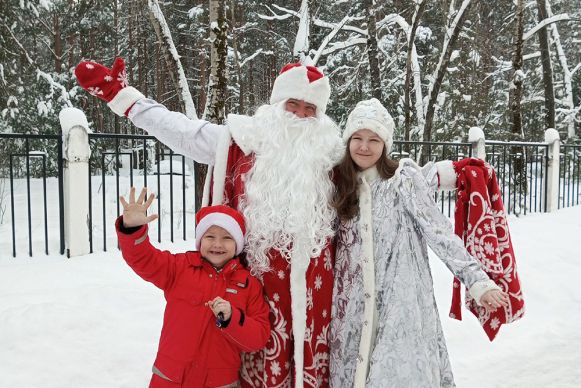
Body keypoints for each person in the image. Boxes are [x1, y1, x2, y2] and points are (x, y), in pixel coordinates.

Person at [75, 58, 344, 387]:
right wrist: (123, 96)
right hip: (244, 290)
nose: (300, 114)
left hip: (315, 300)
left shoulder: (333, 156)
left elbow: (377, 178)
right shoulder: (239, 141)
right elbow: (182, 131)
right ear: (276, 106)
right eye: (293, 104)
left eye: (309, 108)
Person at [329, 99, 510, 388]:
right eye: (357, 139)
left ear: (385, 144)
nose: (364, 147)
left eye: (373, 139)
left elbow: (439, 232)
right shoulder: (340, 186)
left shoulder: (402, 181)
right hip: (352, 312)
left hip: (400, 306)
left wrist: (478, 282)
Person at [116, 187, 270, 387]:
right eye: (210, 237)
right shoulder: (180, 268)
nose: (218, 244)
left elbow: (258, 337)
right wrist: (133, 229)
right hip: (170, 378)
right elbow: (143, 259)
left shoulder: (248, 284)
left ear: (238, 244)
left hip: (218, 381)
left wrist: (232, 318)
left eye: (227, 238)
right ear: (199, 240)